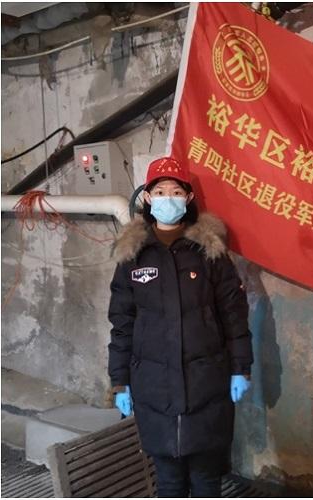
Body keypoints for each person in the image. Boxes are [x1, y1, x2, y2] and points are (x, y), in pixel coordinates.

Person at [107, 156, 253, 497]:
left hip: (206, 384)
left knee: (206, 480)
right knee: (169, 481)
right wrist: (119, 381)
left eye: (175, 191)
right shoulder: (133, 255)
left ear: (188, 198)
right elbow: (122, 324)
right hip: (153, 387)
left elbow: (233, 313)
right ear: (147, 198)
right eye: (160, 192)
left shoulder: (209, 251)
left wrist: (240, 368)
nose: (167, 198)